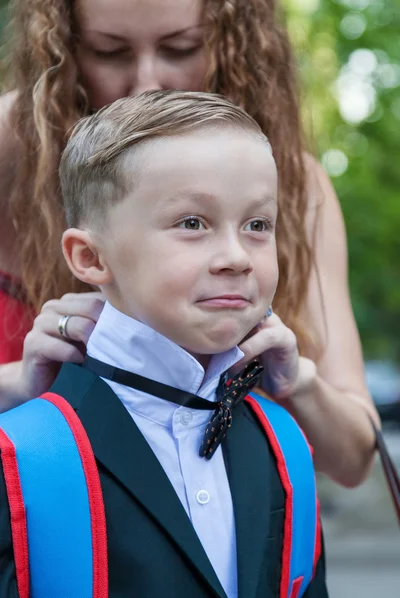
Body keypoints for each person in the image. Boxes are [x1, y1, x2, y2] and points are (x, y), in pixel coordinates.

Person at [0, 0, 379, 487]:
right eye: (109, 53)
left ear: (229, 44)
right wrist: (21, 383)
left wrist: (297, 383)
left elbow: (353, 459)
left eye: (181, 49)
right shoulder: (10, 153)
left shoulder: (292, 182)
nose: (147, 83)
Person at [0, 90, 328, 598]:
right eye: (192, 223)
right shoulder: (20, 457)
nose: (237, 256)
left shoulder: (285, 448)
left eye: (258, 225)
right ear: (89, 257)